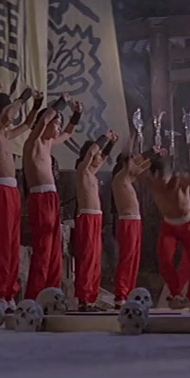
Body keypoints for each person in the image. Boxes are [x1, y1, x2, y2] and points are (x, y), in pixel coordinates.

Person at [0, 88, 43, 308]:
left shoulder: (7, 135)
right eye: (8, 109)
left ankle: (9, 290)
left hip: (12, 190)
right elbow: (9, 116)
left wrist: (36, 106)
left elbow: (27, 124)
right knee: (1, 242)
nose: (12, 114)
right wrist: (24, 97)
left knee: (11, 243)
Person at [22, 96, 81, 300]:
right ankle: (35, 295)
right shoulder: (33, 142)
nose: (59, 127)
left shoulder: (49, 143)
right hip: (40, 197)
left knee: (55, 248)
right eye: (56, 123)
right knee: (43, 248)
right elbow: (44, 120)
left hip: (52, 197)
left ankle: (52, 293)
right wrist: (60, 103)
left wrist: (77, 114)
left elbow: (69, 132)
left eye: (59, 123)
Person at [148, 155, 190, 311]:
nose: (163, 182)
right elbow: (132, 167)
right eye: (159, 178)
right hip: (169, 226)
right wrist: (150, 153)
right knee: (164, 259)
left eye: (165, 178)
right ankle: (176, 293)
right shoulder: (152, 182)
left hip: (188, 225)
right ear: (154, 175)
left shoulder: (178, 180)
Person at [72, 132, 118, 311]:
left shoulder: (92, 173)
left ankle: (91, 296)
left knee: (95, 259)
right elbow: (92, 153)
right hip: (87, 218)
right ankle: (83, 298)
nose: (100, 158)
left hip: (96, 218)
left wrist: (111, 144)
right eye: (97, 155)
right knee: (87, 257)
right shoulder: (82, 170)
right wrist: (103, 138)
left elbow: (102, 156)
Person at [111, 152, 152, 307]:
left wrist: (154, 156)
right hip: (127, 222)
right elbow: (133, 166)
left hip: (135, 221)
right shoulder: (119, 178)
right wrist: (146, 153)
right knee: (127, 258)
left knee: (134, 259)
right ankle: (120, 294)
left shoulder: (128, 180)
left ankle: (128, 292)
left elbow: (140, 168)